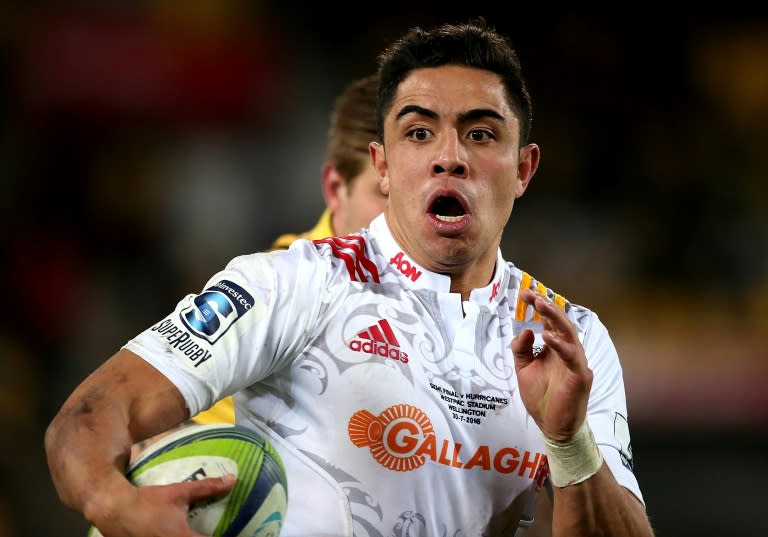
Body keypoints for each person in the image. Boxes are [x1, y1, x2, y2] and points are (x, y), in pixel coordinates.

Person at [45, 18, 655, 537]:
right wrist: (116, 505)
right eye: (420, 132)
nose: (450, 155)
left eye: (480, 133)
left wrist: (569, 440)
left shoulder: (570, 337)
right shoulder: (290, 285)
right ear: (383, 166)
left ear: (524, 168)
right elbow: (92, 414)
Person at [131, 72, 387, 454]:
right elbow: (147, 431)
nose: (407, 216)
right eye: (386, 193)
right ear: (336, 188)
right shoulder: (271, 290)